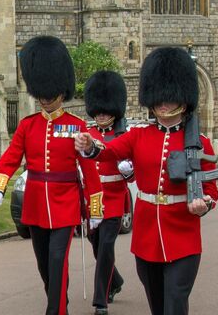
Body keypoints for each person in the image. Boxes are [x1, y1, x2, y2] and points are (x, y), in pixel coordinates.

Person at [75, 47, 218, 315]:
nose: (163, 103)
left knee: (175, 302)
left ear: (183, 100)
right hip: (147, 235)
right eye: (159, 98)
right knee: (157, 305)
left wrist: (206, 203)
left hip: (184, 236)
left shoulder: (200, 143)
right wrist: (89, 145)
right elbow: (110, 151)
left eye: (170, 98)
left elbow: (210, 189)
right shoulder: (140, 136)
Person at [0, 35, 104, 315]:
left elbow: (90, 171)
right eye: (41, 93)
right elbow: (10, 158)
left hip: (65, 206)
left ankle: (55, 311)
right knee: (45, 265)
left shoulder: (76, 126)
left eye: (50, 94)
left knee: (57, 260)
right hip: (36, 205)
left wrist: (96, 207)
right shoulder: (28, 126)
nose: (45, 99)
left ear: (61, 91)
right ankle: (58, 299)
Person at [83, 70, 133, 315]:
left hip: (114, 198)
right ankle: (116, 281)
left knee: (105, 249)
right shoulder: (88, 135)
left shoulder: (124, 136)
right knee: (95, 245)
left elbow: (132, 175)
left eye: (105, 111)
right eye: (98, 111)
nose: (101, 115)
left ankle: (100, 301)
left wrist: (127, 170)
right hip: (93, 199)